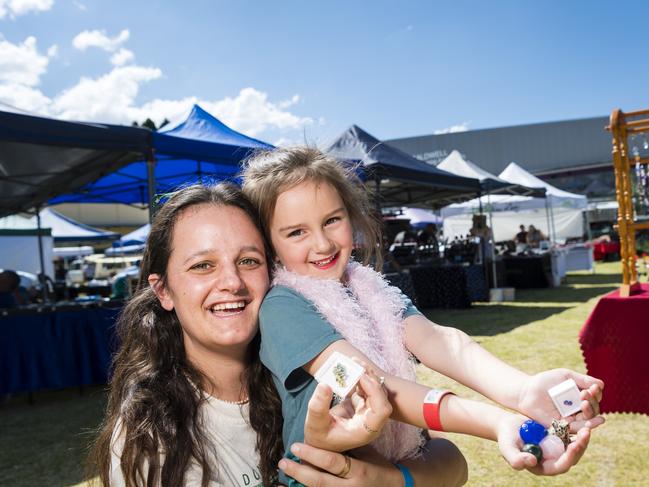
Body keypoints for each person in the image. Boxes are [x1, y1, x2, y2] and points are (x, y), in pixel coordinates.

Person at [241, 147, 603, 482]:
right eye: (296, 232)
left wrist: (521, 390)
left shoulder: (370, 288)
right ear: (268, 243)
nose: (322, 243)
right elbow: (369, 383)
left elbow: (442, 341)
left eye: (332, 220)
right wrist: (495, 421)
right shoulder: (282, 307)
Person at [88, 183, 468, 487]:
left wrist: (389, 479)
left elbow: (450, 462)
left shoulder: (312, 357)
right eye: (203, 266)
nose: (232, 282)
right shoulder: (154, 439)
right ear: (164, 291)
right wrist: (318, 451)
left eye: (248, 261)